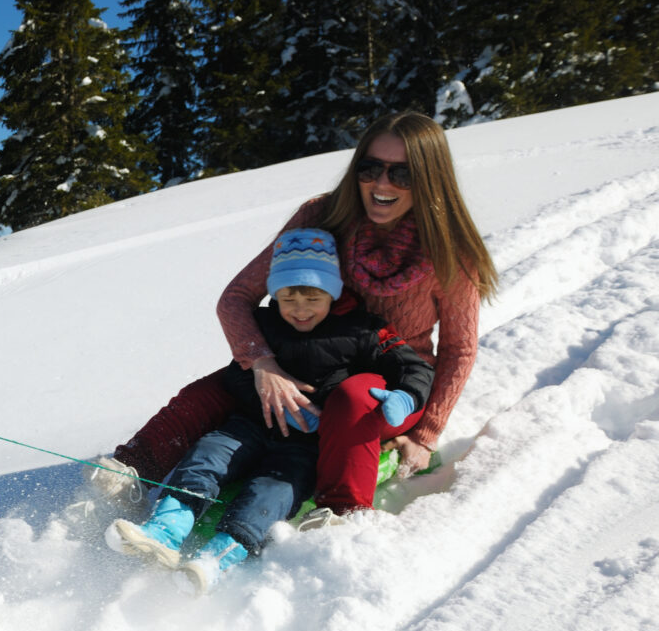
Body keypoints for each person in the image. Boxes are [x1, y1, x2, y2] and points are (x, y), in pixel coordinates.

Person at [99, 111, 497, 522]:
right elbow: (236, 297)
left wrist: (425, 435)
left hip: (387, 383)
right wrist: (263, 363)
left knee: (352, 400)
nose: (381, 184)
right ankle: (133, 469)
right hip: (303, 360)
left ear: (430, 178)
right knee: (212, 393)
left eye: (402, 174)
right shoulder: (321, 218)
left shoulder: (450, 253)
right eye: (371, 168)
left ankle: (339, 511)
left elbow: (458, 349)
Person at [104, 228, 435, 592]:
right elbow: (237, 375)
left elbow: (413, 366)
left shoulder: (362, 330)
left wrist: (405, 397)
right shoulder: (264, 324)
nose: (300, 308)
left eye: (313, 297)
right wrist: (270, 396)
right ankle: (165, 532)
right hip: (248, 425)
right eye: (288, 297)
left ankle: (216, 559)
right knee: (206, 456)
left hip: (307, 446)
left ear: (333, 292)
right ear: (275, 293)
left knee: (272, 491)